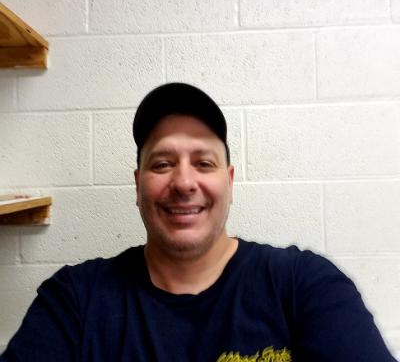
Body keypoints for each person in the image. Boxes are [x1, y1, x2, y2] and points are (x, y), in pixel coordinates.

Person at [0, 83, 396, 362]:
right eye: (162, 164)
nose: (184, 183)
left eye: (204, 163)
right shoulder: (74, 301)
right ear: (138, 185)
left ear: (229, 181)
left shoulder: (302, 285)